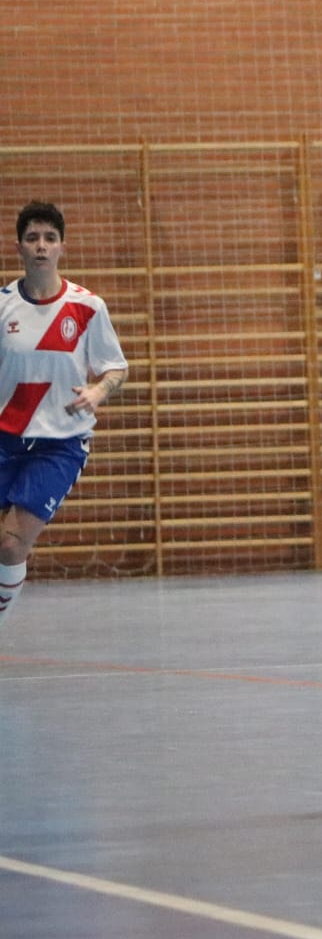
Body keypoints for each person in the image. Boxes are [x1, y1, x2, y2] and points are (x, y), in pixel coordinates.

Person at [0, 202, 128, 632]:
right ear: (19, 246)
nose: (41, 246)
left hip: (60, 444)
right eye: (33, 238)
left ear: (61, 247)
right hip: (5, 437)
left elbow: (116, 368)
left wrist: (98, 391)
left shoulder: (86, 307)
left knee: (11, 542)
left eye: (49, 238)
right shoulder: (2, 307)